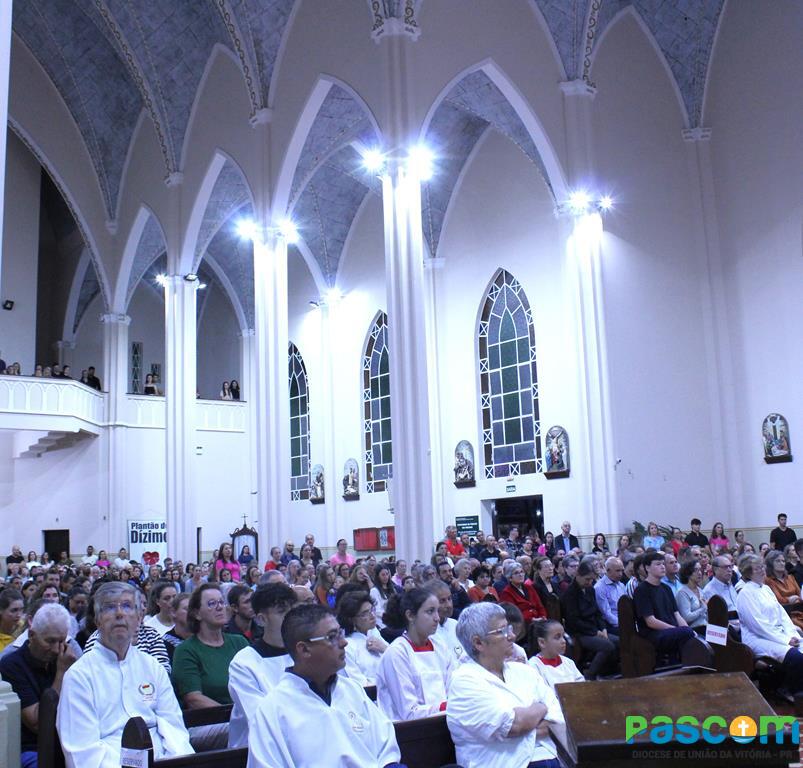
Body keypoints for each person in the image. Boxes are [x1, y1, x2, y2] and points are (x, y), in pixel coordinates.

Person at [56, 582, 192, 767]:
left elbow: (173, 727)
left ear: (138, 618)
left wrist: (178, 763)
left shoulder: (152, 666)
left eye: (127, 606)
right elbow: (83, 752)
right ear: (97, 620)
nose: (119, 613)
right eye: (109, 607)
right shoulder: (79, 676)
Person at [248, 603, 400, 768]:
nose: (344, 643)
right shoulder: (273, 709)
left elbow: (386, 748)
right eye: (332, 637)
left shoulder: (352, 689)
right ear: (304, 649)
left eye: (340, 633)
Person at [447, 603, 564, 768]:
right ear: (478, 643)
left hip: (551, 756)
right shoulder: (464, 681)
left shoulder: (524, 671)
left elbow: (558, 719)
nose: (512, 636)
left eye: (509, 628)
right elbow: (514, 726)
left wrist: (525, 725)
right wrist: (541, 707)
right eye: (502, 631)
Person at [0, 603, 77, 767]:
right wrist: (62, 673)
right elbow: (38, 723)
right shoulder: (11, 666)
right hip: (32, 749)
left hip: (69, 741)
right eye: (50, 641)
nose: (56, 649)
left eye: (61, 641)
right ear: (31, 635)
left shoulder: (65, 658)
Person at [227, 583, 297, 748]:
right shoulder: (244, 663)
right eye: (282, 612)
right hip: (256, 749)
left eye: (293, 611)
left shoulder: (306, 652)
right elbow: (261, 719)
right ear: (261, 619)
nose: (292, 618)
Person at [376, 588, 455, 720]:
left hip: (446, 721)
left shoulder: (440, 646)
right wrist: (447, 707)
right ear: (410, 616)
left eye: (437, 611)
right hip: (408, 733)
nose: (437, 618)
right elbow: (408, 712)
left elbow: (453, 688)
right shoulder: (397, 653)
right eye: (430, 611)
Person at [171, 583, 249, 711]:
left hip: (246, 715)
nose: (219, 607)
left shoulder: (240, 643)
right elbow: (194, 699)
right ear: (197, 614)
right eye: (212, 603)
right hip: (211, 720)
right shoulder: (186, 650)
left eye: (221, 602)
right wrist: (234, 716)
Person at [736, 554, 803, 696]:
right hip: (758, 639)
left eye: (762, 566)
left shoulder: (766, 589)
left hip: (777, 634)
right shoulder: (745, 593)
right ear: (748, 572)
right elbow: (758, 625)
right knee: (796, 657)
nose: (762, 570)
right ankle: (790, 691)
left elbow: (782, 615)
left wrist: (792, 634)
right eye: (757, 568)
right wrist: (785, 640)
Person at [560, 561, 619, 679]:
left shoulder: (590, 590)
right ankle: (589, 674)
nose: (590, 582)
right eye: (587, 579)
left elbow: (597, 613)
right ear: (578, 575)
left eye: (592, 579)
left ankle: (608, 671)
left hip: (595, 628)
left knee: (618, 641)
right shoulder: (570, 594)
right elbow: (573, 621)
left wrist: (603, 629)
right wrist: (595, 632)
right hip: (580, 632)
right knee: (607, 646)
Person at [632, 552, 695, 659]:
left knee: (696, 633)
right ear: (647, 567)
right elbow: (651, 622)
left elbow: (677, 615)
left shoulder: (666, 588)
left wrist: (686, 628)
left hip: (671, 630)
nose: (662, 567)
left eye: (663, 564)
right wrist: (675, 629)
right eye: (658, 564)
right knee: (686, 633)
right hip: (654, 633)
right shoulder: (642, 590)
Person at [337, 590, 387, 686]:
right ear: (351, 619)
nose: (372, 615)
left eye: (372, 609)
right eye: (365, 613)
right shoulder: (347, 646)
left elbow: (397, 661)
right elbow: (360, 685)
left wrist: (384, 648)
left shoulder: (373, 632)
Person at [529, 618, 585, 689]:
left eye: (563, 636)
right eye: (557, 637)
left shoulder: (568, 662)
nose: (563, 641)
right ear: (542, 642)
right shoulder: (533, 666)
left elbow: (581, 684)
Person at [765, 550, 803, 631]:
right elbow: (778, 600)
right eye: (778, 561)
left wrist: (795, 598)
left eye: (783, 561)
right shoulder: (768, 580)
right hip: (785, 614)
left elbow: (800, 594)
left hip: (799, 610)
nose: (782, 563)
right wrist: (789, 599)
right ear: (771, 564)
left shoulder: (790, 577)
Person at [594, 556, 626, 634]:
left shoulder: (621, 585)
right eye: (618, 571)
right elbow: (606, 614)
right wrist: (624, 624)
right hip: (611, 625)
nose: (621, 574)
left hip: (625, 621)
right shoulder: (599, 587)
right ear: (608, 570)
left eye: (622, 570)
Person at [676, 560, 708, 629]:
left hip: (706, 626)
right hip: (694, 630)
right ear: (687, 573)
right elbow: (686, 617)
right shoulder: (682, 593)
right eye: (695, 570)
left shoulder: (700, 590)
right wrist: (702, 609)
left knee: (726, 632)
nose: (699, 573)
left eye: (700, 570)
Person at [162, 593, 192, 662]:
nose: (192, 613)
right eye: (187, 609)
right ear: (173, 612)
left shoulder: (203, 639)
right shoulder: (164, 644)